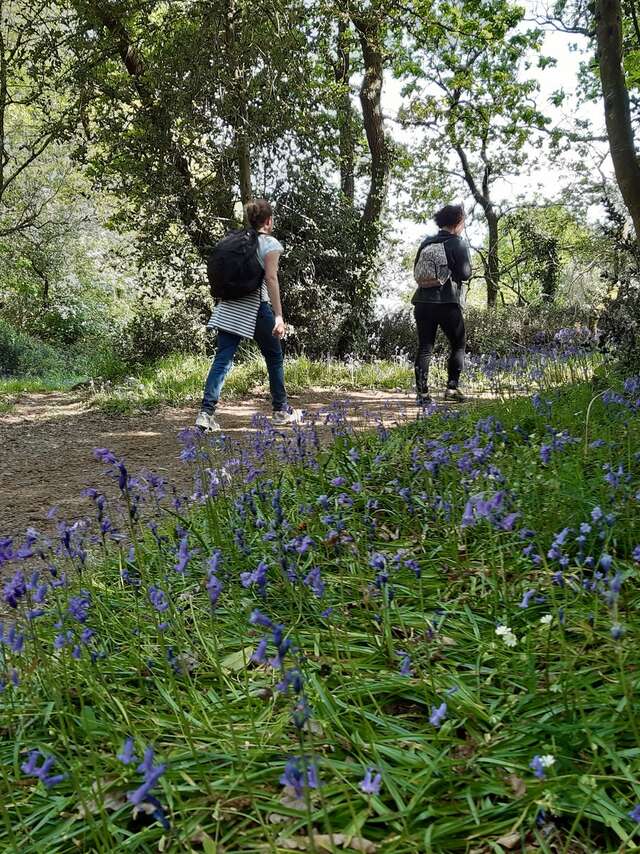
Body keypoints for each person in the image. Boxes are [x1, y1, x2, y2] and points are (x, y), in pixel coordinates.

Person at [195, 199, 302, 431]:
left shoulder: (238, 241)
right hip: (255, 306)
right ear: (269, 221)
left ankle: (205, 414)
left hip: (229, 307)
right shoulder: (270, 244)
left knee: (223, 358)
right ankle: (280, 410)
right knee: (274, 356)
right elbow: (271, 279)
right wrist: (279, 317)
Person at [412, 203, 472, 405]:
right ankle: (452, 389)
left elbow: (416, 270)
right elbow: (465, 274)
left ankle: (422, 394)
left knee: (425, 347)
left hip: (422, 301)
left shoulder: (426, 243)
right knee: (458, 344)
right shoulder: (458, 243)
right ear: (457, 222)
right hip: (447, 302)